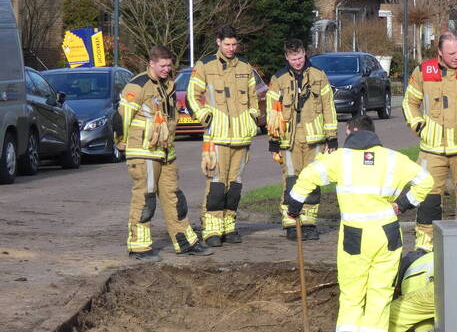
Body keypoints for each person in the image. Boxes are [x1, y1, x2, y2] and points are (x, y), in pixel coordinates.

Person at [286, 115, 433, 332]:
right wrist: (403, 204)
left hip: (354, 236)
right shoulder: (393, 159)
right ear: (373, 133)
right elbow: (426, 181)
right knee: (380, 295)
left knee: (352, 295)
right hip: (386, 233)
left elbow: (310, 173)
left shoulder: (340, 159)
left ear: (350, 131)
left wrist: (295, 204)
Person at [401, 31, 457, 251]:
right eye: (452, 53)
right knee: (427, 196)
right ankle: (425, 246)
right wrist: (419, 126)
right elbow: (409, 102)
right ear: (440, 53)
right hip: (432, 149)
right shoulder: (423, 71)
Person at [118, 45, 212, 260]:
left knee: (175, 198)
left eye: (169, 65)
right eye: (163, 65)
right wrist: (121, 143)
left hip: (165, 152)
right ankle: (139, 246)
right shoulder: (138, 85)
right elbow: (122, 118)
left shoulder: (169, 85)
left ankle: (184, 242)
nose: (167, 69)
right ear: (151, 63)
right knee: (145, 199)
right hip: (143, 153)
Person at [187, 24, 261, 247]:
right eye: (227, 44)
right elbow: (192, 95)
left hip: (241, 137)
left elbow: (253, 97)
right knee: (217, 184)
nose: (231, 48)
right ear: (218, 42)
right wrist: (206, 118)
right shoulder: (205, 66)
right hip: (216, 137)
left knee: (235, 185)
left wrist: (253, 117)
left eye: (234, 44)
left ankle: (229, 227)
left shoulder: (246, 67)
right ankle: (211, 229)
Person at [266, 38, 338, 241]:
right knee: (291, 180)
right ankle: (291, 222)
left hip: (314, 139)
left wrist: (331, 139)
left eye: (299, 57)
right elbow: (272, 114)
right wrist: (273, 142)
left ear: (305, 54)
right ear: (286, 57)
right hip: (288, 140)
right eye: (292, 58)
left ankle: (308, 222)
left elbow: (328, 108)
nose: (297, 62)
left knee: (313, 181)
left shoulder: (319, 76)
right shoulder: (278, 79)